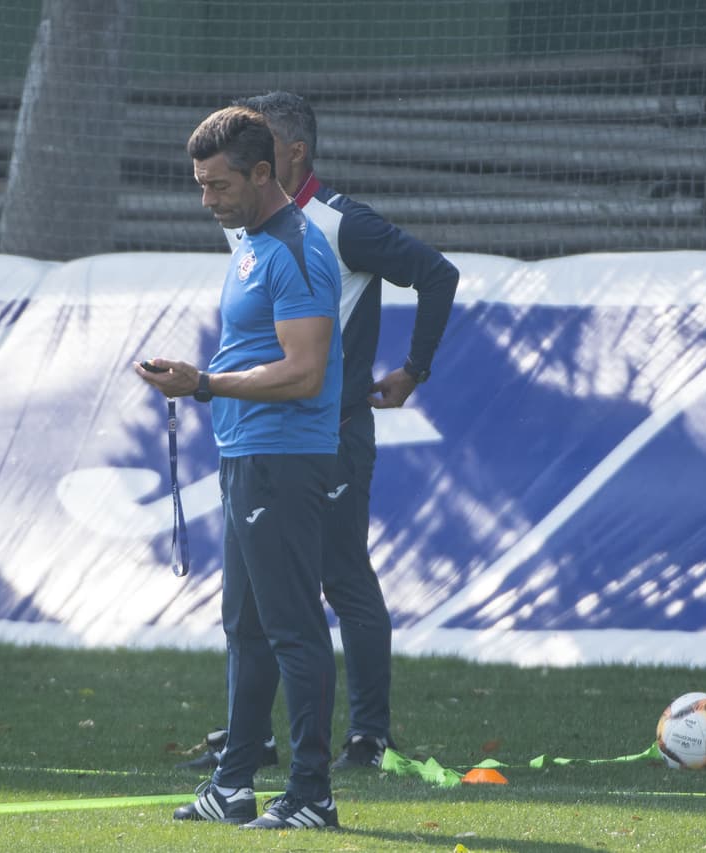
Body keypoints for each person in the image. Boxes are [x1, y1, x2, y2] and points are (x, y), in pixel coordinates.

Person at [178, 91, 459, 773]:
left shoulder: (335, 225)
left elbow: (436, 272)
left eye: (258, 142)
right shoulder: (255, 229)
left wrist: (412, 369)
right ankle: (255, 741)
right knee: (253, 601)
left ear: (289, 154)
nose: (220, 188)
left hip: (329, 432)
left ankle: (366, 736)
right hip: (266, 437)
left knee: (338, 579)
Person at [138, 106, 343, 830]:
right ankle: (233, 785)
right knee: (245, 627)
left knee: (291, 629)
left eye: (219, 185)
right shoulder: (252, 241)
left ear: (264, 173)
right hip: (247, 453)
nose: (207, 200)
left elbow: (305, 371)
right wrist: (203, 382)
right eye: (200, 185)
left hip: (283, 458)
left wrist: (204, 383)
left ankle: (313, 793)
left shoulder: (296, 247)